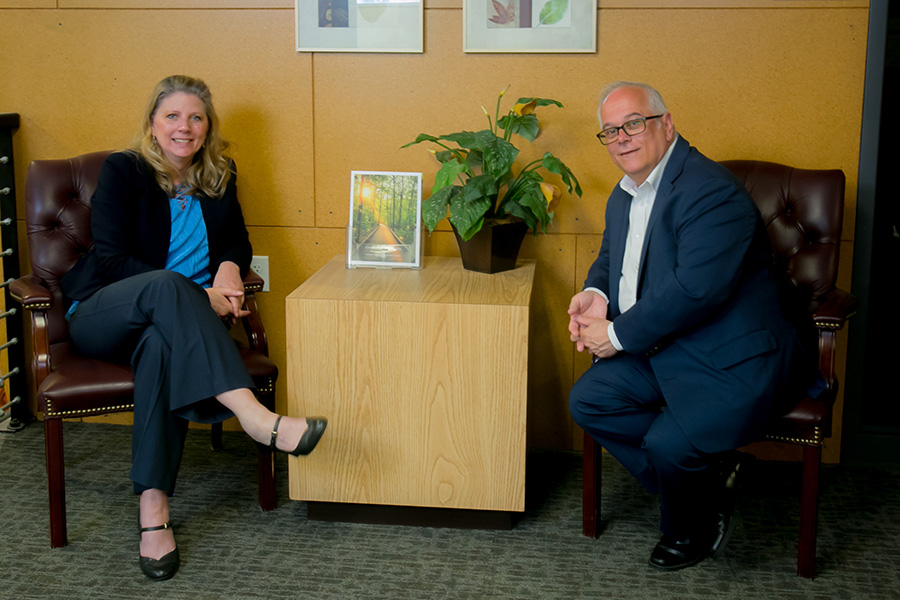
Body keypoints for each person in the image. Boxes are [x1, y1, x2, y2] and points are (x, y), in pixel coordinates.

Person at [60, 75, 328, 581]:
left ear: (207, 127)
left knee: (163, 347)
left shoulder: (220, 173)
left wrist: (228, 269)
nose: (185, 127)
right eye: (173, 116)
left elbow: (237, 242)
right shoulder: (124, 170)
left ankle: (154, 514)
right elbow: (114, 262)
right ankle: (252, 414)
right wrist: (199, 293)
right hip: (103, 313)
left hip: (172, 326)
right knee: (167, 283)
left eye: (196, 117)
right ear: (153, 125)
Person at [567, 81, 819, 571]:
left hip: (732, 354)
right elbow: (610, 257)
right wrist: (596, 295)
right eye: (610, 130)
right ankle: (710, 478)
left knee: (667, 444)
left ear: (667, 124)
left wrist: (614, 335)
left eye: (633, 123)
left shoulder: (710, 192)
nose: (622, 137)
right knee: (589, 400)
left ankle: (689, 524)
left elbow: (694, 291)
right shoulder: (625, 194)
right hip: (666, 346)